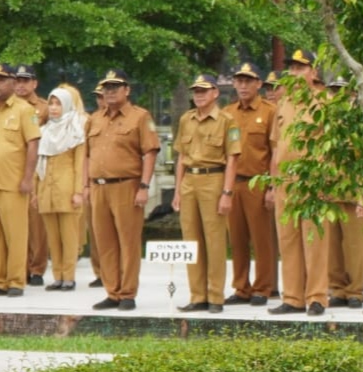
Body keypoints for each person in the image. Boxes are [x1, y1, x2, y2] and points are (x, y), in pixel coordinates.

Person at [83, 69, 160, 311]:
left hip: (127, 185)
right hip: (99, 187)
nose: (111, 91)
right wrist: (85, 185)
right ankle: (112, 291)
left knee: (128, 242)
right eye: (107, 87)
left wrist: (144, 186)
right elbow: (87, 155)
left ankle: (127, 293)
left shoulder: (139, 117)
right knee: (104, 243)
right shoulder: (94, 119)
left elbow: (150, 152)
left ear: (127, 90)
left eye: (116, 86)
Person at [268, 49, 333, 316]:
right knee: (288, 238)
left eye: (301, 68)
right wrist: (272, 184)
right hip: (285, 181)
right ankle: (292, 297)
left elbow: (332, 146)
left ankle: (317, 296)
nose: (295, 73)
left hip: (313, 179)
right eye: (292, 68)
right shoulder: (283, 104)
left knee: (314, 238)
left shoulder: (325, 102)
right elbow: (276, 146)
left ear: (314, 72)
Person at [169, 73, 240, 312]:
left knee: (215, 240)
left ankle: (215, 296)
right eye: (195, 91)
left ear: (215, 93)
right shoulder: (186, 119)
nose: (198, 95)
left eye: (203, 90)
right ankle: (197, 295)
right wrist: (177, 190)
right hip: (190, 180)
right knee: (191, 240)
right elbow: (180, 157)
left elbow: (232, 159)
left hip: (214, 179)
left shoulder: (226, 120)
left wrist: (227, 193)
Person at [0, 63, 41, 297]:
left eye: (1, 79)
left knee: (16, 235)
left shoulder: (24, 110)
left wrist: (27, 178)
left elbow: (33, 144)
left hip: (13, 183)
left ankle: (15, 281)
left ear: (13, 83)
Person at [225, 61, 279, 306]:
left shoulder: (269, 112)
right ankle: (241, 287)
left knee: (262, 239)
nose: (243, 85)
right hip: (233, 183)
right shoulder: (228, 113)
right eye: (239, 80)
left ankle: (263, 287)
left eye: (249, 81)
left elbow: (274, 151)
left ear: (259, 84)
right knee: (236, 239)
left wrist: (272, 186)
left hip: (258, 182)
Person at [34, 85, 89, 292]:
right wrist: (36, 191)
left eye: (58, 104)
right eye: (51, 103)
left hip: (67, 190)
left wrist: (78, 191)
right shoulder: (44, 131)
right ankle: (57, 276)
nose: (54, 108)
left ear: (67, 106)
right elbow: (39, 164)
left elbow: (79, 164)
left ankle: (69, 276)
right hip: (46, 189)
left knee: (69, 235)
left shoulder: (75, 131)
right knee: (53, 237)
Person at [13, 64, 50, 286]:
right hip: (12, 169)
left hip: (36, 169)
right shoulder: (10, 108)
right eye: (17, 81)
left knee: (36, 224)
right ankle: (21, 267)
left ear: (34, 83)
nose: (21, 85)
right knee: (17, 223)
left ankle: (37, 268)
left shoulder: (43, 108)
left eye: (25, 81)